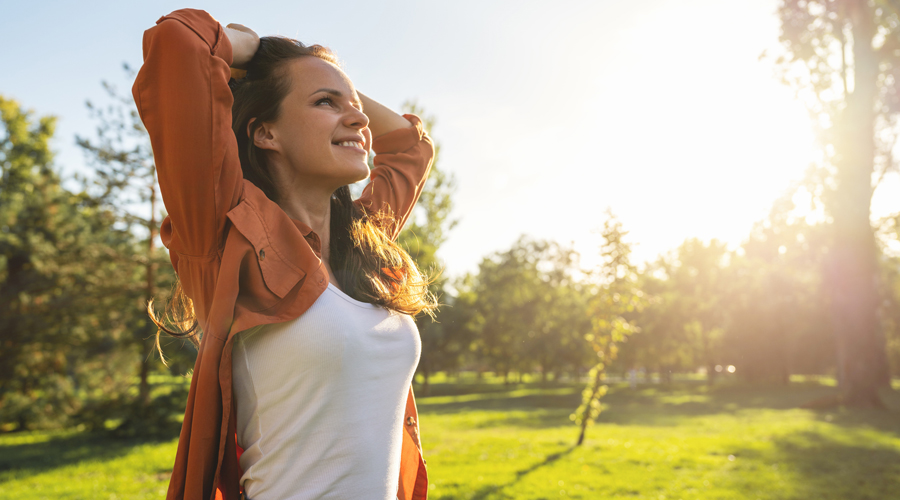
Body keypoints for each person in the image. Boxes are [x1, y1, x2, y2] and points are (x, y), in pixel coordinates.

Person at [133, 8, 436, 500]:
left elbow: (408, 147)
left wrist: (326, 77)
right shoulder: (228, 236)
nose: (359, 119)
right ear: (264, 133)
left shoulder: (361, 242)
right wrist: (257, 53)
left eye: (355, 106)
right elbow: (178, 42)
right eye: (324, 103)